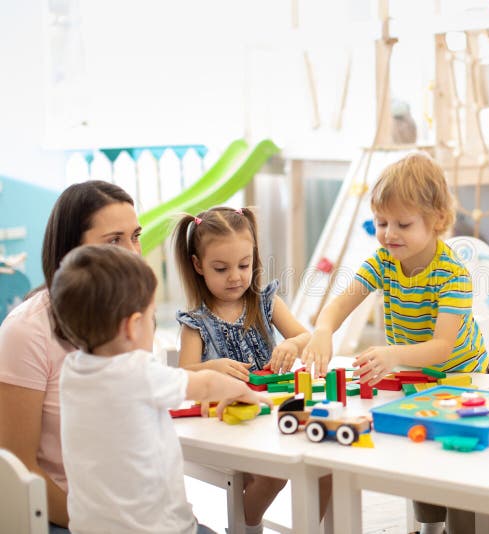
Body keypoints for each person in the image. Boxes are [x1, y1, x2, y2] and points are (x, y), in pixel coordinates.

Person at [301, 152, 488, 534]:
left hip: (464, 379)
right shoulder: (384, 261)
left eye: (403, 223)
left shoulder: (452, 275)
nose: (389, 234)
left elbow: (443, 348)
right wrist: (323, 331)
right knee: (420, 457)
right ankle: (429, 529)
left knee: (458, 468)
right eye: (382, 222)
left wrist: (391, 355)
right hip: (418, 379)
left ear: (437, 220)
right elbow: (339, 303)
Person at [51, 244, 267, 533]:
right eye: (151, 316)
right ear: (133, 326)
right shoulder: (137, 371)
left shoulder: (72, 371)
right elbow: (206, 385)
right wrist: (244, 392)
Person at [0, 180, 141, 532]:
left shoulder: (129, 319)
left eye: (135, 236)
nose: (133, 253)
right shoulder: (27, 330)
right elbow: (18, 466)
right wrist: (98, 523)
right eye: (114, 240)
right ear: (70, 251)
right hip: (66, 518)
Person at [172, 206, 315, 533]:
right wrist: (213, 367)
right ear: (198, 266)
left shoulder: (265, 302)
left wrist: (292, 345)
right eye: (221, 268)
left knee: (322, 463)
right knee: (274, 472)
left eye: (244, 265)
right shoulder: (196, 323)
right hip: (226, 424)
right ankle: (247, 528)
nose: (235, 276)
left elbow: (306, 337)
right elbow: (182, 375)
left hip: (270, 414)